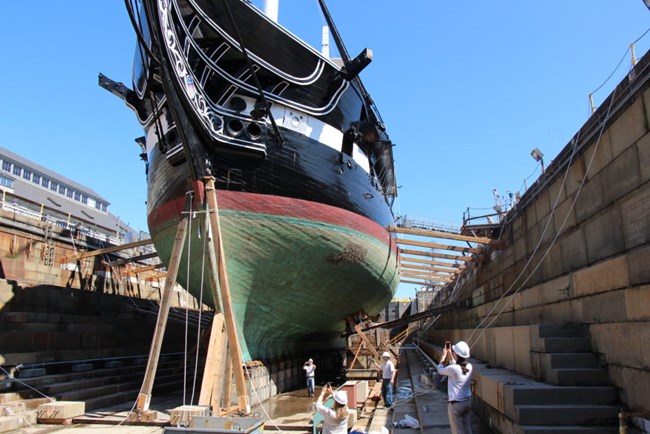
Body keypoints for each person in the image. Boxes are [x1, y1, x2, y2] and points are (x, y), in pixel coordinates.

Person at [437, 340, 473, 434]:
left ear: (456, 355)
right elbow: (457, 366)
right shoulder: (470, 367)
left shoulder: (453, 369)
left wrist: (444, 356)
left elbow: (440, 369)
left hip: (456, 405)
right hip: (467, 402)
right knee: (468, 429)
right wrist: (451, 354)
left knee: (458, 431)